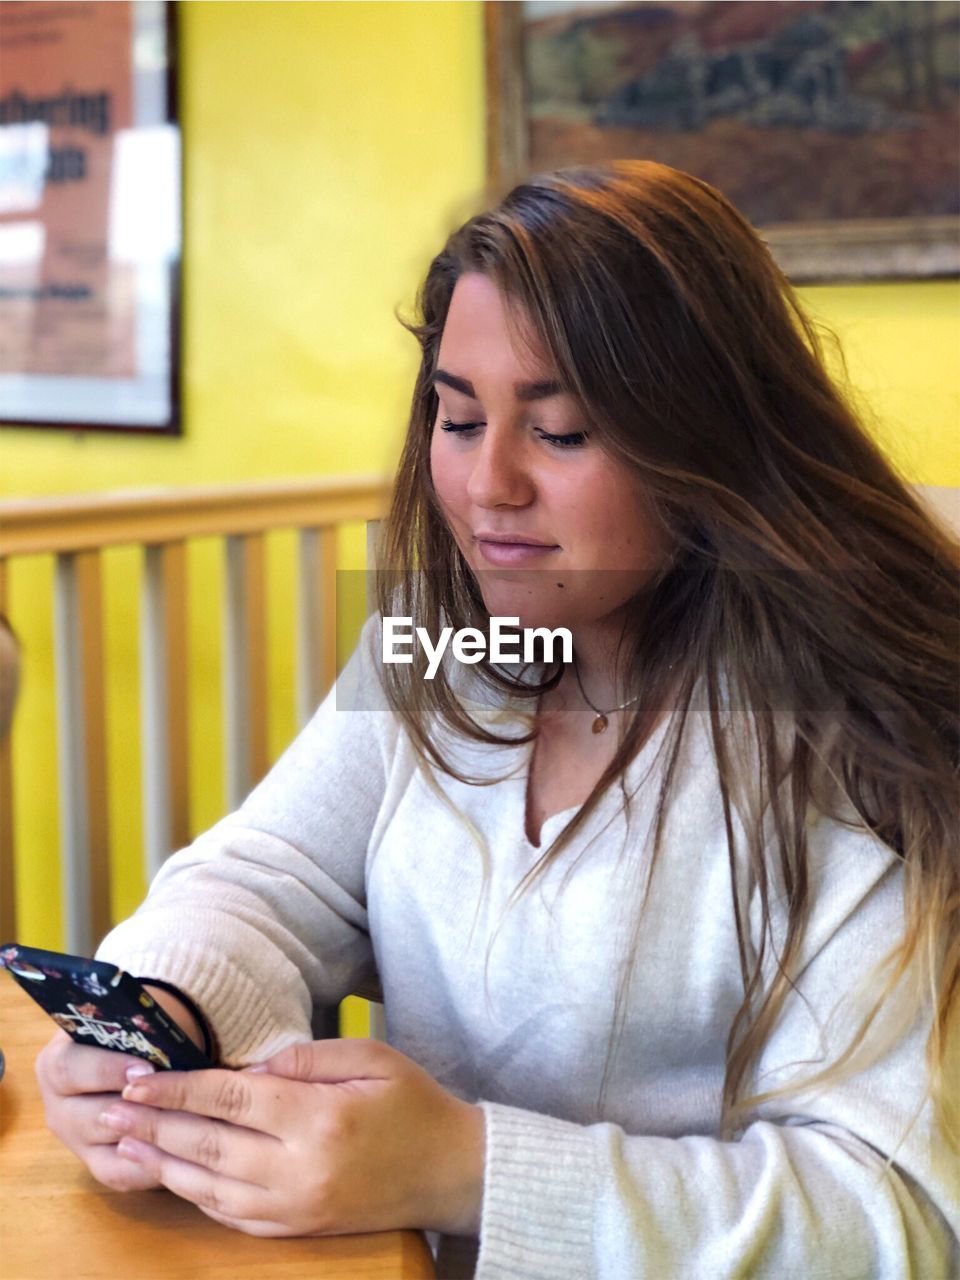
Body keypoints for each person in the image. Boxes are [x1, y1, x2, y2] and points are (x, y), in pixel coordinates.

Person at [35, 161, 958, 1278]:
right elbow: (267, 876)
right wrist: (161, 1024)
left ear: (709, 443)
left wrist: (471, 1169)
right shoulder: (457, 649)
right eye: (459, 418)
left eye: (561, 432)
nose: (487, 485)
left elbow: (901, 1212)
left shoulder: (851, 743)